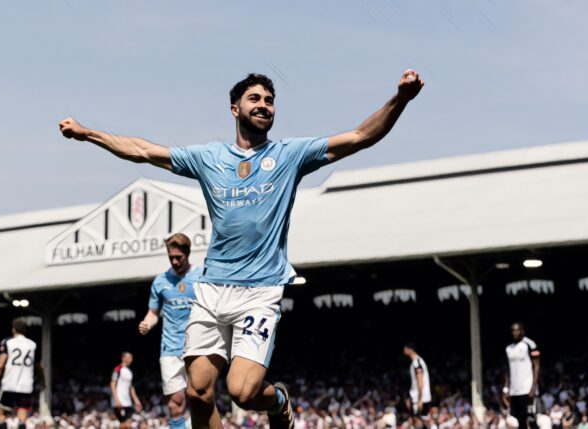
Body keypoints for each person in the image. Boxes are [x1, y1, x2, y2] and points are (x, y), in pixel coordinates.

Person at [59, 69, 424, 429]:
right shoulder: (209, 158)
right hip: (213, 287)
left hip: (259, 291)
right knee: (198, 394)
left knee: (243, 392)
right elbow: (142, 150)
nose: (264, 105)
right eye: (255, 99)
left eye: (269, 100)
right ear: (235, 109)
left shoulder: (289, 155)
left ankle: (278, 400)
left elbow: (361, 136)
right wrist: (87, 133)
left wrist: (400, 101)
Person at [139, 233, 202, 429]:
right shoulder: (160, 282)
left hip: (198, 346)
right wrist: (147, 323)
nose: (174, 261)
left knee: (200, 398)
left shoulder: (201, 276)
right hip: (170, 348)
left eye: (179, 257)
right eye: (171, 257)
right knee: (175, 402)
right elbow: (153, 312)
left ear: (187, 253)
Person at [0, 318, 44, 429]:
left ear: (13, 330)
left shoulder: (7, 342)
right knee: (22, 416)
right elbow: (40, 366)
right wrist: (43, 381)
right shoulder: (33, 345)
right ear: (25, 331)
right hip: (26, 385)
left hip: (9, 383)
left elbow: (0, 365)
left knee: (0, 413)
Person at [503, 322, 541, 429]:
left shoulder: (530, 344)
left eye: (517, 330)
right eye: (513, 330)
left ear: (522, 331)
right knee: (519, 420)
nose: (515, 333)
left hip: (527, 389)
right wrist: (506, 388)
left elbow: (536, 366)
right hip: (515, 390)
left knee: (531, 418)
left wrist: (533, 387)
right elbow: (507, 369)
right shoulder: (509, 348)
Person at [110, 352, 143, 429]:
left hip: (128, 402)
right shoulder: (117, 369)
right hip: (119, 401)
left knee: (128, 425)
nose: (131, 359)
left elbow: (131, 387)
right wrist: (116, 399)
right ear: (123, 358)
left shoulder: (129, 372)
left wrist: (136, 400)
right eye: (129, 357)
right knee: (126, 424)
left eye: (132, 358)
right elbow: (112, 384)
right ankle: (112, 426)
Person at [403, 343, 431, 427]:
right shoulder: (415, 362)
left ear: (410, 349)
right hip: (417, 398)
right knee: (416, 422)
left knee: (418, 423)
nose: (404, 351)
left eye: (405, 348)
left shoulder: (417, 362)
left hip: (420, 398)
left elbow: (420, 382)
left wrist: (420, 399)